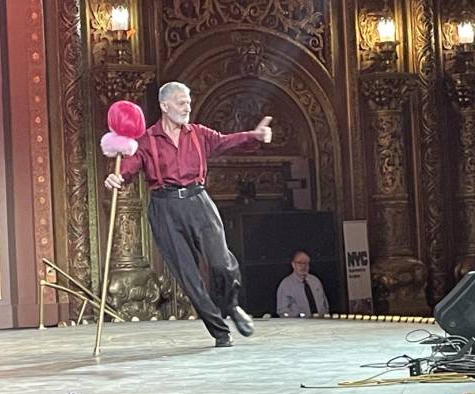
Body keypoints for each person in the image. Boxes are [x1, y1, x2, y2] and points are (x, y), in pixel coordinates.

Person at [105, 81, 272, 347]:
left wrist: (254, 135)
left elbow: (226, 142)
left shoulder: (198, 134)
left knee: (223, 264)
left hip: (198, 201)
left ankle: (231, 305)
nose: (187, 107)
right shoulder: (147, 140)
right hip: (165, 207)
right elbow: (129, 165)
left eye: (189, 102)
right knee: (189, 277)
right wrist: (117, 178)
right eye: (182, 102)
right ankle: (220, 331)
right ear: (164, 105)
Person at [276, 250, 329, 318]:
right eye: (300, 263)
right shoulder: (285, 285)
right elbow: (282, 311)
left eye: (306, 263)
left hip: (320, 323)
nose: (303, 266)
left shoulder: (315, 281)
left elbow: (325, 304)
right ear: (293, 264)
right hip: (298, 325)